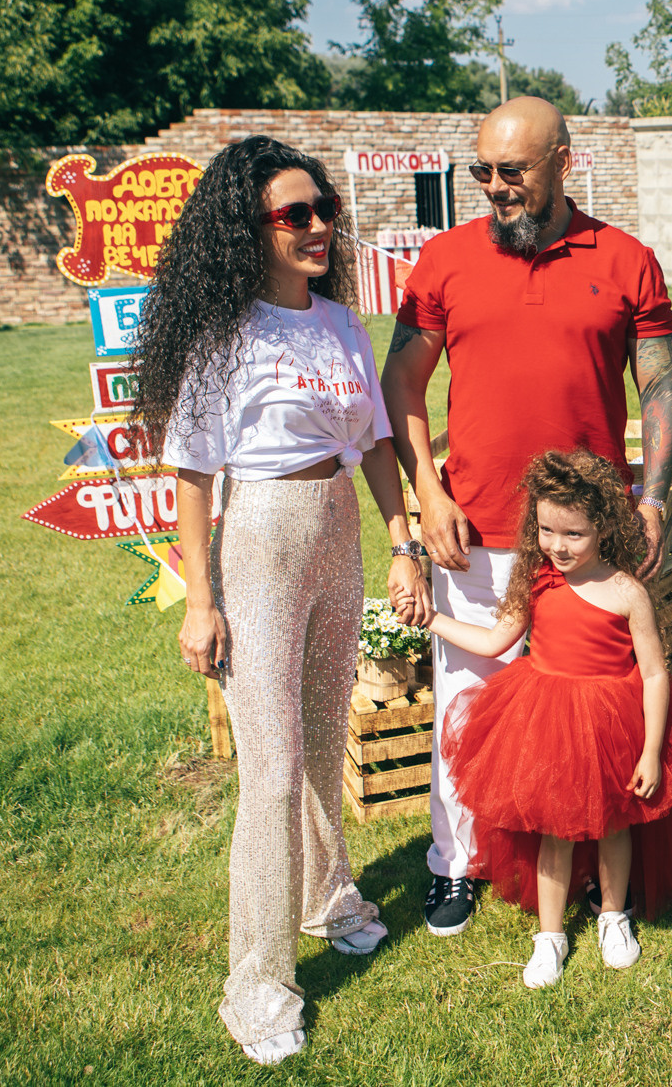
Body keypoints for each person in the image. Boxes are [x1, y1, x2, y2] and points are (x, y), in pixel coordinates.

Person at [132, 135, 428, 1066]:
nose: (316, 227)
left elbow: (377, 440)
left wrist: (402, 540)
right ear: (246, 231)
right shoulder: (225, 334)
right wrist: (199, 598)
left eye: (322, 210)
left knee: (323, 730)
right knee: (267, 771)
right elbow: (190, 474)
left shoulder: (340, 322)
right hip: (257, 535)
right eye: (292, 215)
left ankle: (327, 895)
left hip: (336, 526)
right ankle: (256, 981)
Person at [381, 96, 672, 938]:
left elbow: (659, 383)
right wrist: (428, 492)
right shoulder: (443, 259)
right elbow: (400, 380)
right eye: (479, 170)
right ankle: (457, 862)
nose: (493, 187)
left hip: (590, 540)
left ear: (563, 161)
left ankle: (593, 864)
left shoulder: (626, 259)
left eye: (511, 170)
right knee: (467, 698)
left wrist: (653, 495)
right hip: (473, 524)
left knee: (592, 708)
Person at [427, 450, 672, 987]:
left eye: (573, 534)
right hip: (548, 721)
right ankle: (549, 938)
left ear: (603, 526)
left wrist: (651, 750)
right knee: (555, 832)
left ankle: (613, 917)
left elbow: (656, 675)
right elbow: (498, 639)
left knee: (616, 827)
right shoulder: (539, 581)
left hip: (611, 727)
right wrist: (433, 619)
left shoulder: (626, 592)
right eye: (546, 530)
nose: (557, 546)